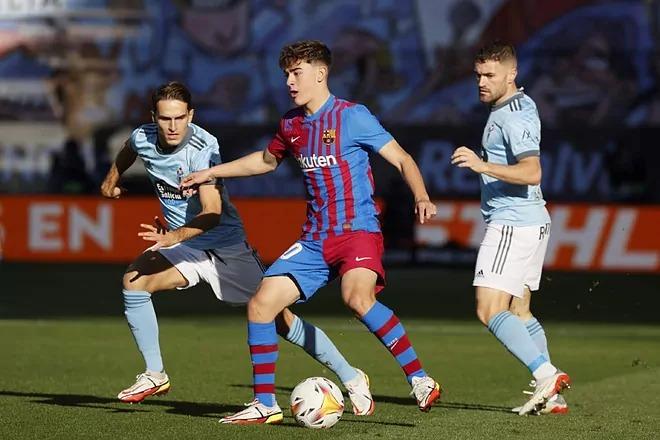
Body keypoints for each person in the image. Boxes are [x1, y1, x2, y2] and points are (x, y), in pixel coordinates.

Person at [181, 40, 441, 425]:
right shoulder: (291, 123)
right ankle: (266, 403)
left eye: (296, 72)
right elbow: (266, 161)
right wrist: (210, 172)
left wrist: (420, 194)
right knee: (261, 305)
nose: (289, 80)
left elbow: (401, 158)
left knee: (356, 298)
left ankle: (419, 378)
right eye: (286, 73)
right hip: (315, 240)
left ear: (321, 74)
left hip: (358, 232)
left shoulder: (353, 117)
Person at [99, 81, 374, 420]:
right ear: (153, 117)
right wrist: (111, 180)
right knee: (134, 281)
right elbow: (130, 147)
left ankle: (351, 375)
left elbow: (212, 212)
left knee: (282, 322)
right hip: (185, 245)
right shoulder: (143, 136)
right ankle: (155, 374)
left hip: (225, 246)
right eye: (165, 119)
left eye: (180, 118)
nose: (173, 127)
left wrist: (175, 235)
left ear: (191, 115)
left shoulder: (203, 147)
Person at [450, 41, 571, 416]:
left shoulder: (511, 117)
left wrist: (482, 165)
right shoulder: (516, 105)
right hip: (532, 221)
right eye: (478, 75)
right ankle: (552, 396)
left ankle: (546, 374)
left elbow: (532, 171)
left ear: (511, 73)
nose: (482, 82)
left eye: (490, 75)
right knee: (519, 310)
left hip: (513, 223)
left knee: (489, 309)